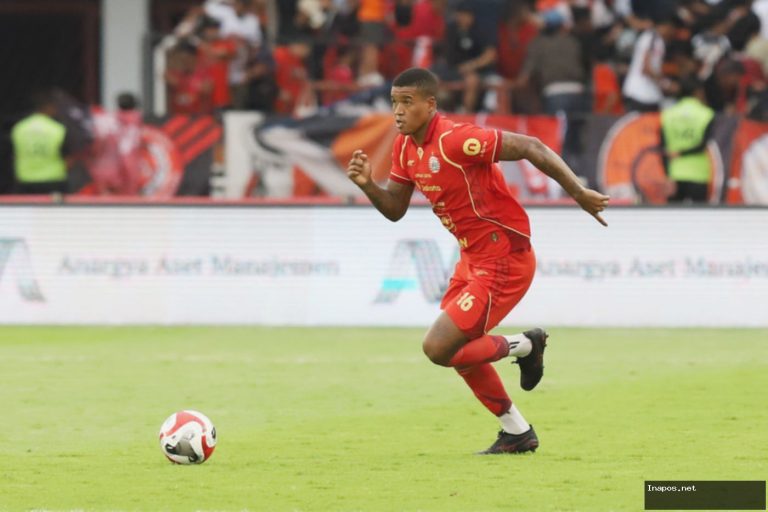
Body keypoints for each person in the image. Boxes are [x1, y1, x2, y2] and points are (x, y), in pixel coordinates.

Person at [346, 68, 609, 454]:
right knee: (459, 351)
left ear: (430, 105)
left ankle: (525, 345)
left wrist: (579, 192)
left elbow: (531, 146)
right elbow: (396, 210)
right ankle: (517, 431)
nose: (398, 111)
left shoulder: (457, 140)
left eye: (407, 102)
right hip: (472, 258)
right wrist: (369, 185)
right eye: (394, 102)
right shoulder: (404, 148)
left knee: (439, 347)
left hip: (505, 258)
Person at [660, 77, 715, 203]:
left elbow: (664, 147)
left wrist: (666, 175)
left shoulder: (667, 114)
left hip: (674, 173)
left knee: (673, 214)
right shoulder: (707, 114)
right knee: (699, 214)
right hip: (699, 174)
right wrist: (683, 153)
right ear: (698, 92)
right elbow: (704, 145)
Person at [11, 90, 72, 194]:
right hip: (53, 180)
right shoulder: (57, 129)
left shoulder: (19, 128)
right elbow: (68, 156)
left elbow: (14, 155)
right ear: (49, 107)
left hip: (25, 180)